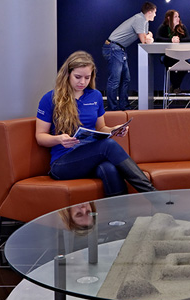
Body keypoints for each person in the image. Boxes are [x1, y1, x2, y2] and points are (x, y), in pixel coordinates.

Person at [36, 50, 156, 198]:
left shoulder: (95, 96)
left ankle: (122, 218)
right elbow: (40, 137)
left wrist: (113, 130)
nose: (82, 82)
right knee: (108, 146)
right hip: (63, 163)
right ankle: (153, 195)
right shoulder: (50, 98)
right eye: (78, 77)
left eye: (87, 77)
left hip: (91, 157)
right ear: (67, 74)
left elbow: (101, 128)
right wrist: (59, 139)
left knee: (109, 169)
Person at [103, 2, 156, 110]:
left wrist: (149, 36)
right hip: (113, 48)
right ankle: (112, 109)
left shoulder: (144, 21)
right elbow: (144, 40)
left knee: (126, 79)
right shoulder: (140, 19)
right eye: (154, 13)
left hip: (119, 49)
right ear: (149, 12)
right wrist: (149, 36)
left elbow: (147, 36)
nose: (155, 15)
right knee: (115, 80)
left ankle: (124, 106)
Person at [155, 9, 190, 93]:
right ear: (168, 18)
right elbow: (158, 38)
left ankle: (175, 86)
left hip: (182, 55)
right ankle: (176, 87)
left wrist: (179, 40)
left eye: (178, 16)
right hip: (167, 56)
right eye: (175, 17)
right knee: (170, 62)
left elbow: (188, 39)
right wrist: (171, 40)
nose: (178, 18)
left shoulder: (182, 27)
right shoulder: (163, 27)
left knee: (186, 65)